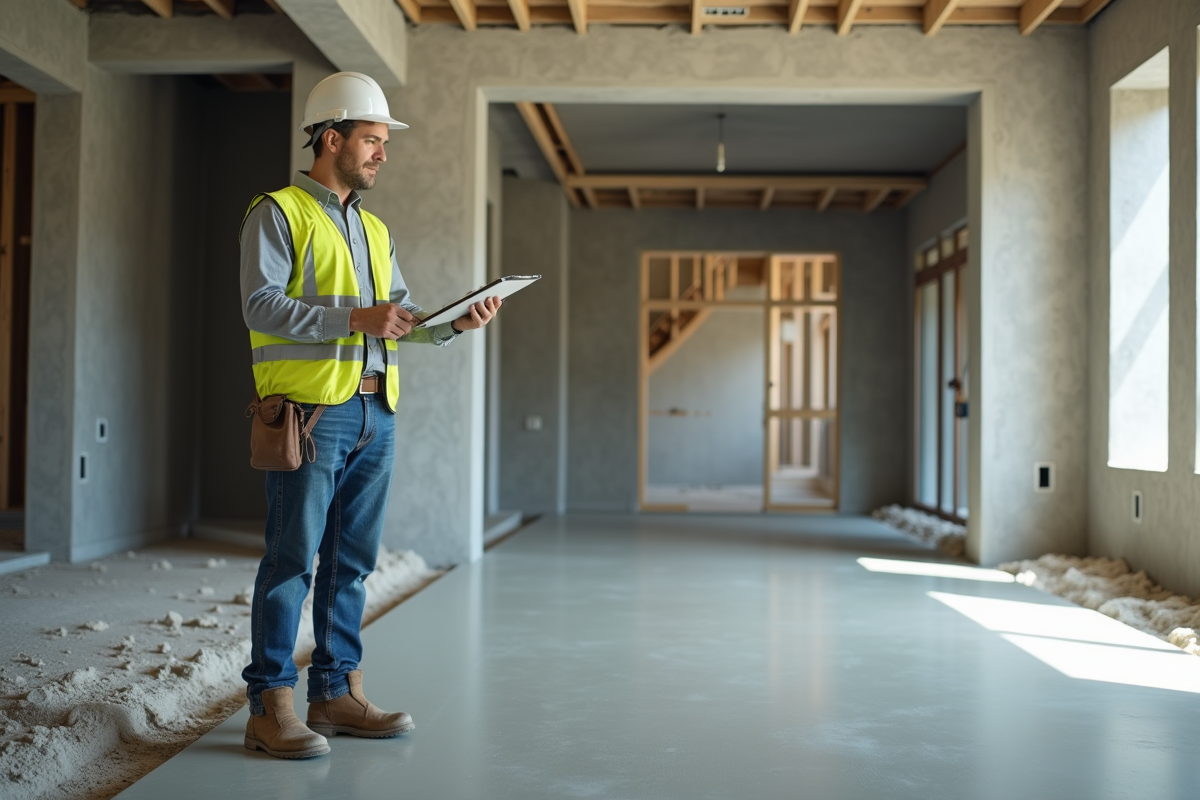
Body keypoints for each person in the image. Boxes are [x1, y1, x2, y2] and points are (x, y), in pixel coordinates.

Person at [238, 71, 501, 760]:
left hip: (374, 414)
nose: (383, 154)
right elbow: (259, 306)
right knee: (292, 560)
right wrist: (357, 317)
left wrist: (451, 325)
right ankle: (269, 707)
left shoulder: (375, 229)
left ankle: (334, 694)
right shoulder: (278, 211)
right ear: (332, 139)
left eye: (385, 143)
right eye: (373, 141)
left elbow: (398, 321)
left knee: (351, 563)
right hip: (310, 415)